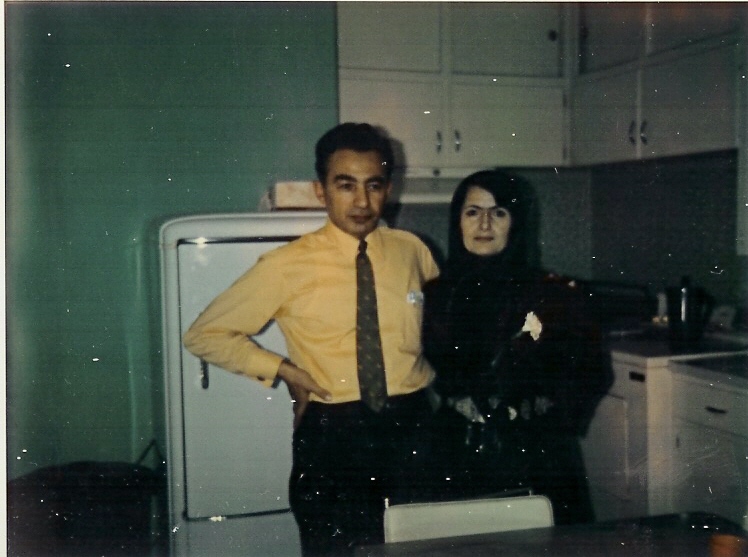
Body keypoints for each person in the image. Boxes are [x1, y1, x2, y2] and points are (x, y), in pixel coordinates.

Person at [183, 122, 440, 555]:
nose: (361, 202)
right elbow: (204, 334)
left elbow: (440, 323)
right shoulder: (285, 265)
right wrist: (284, 371)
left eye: (373, 186)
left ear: (388, 189)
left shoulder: (413, 250)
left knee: (418, 547)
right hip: (334, 434)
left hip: (413, 425)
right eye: (345, 186)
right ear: (321, 191)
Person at [422, 169, 610, 525]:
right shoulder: (435, 294)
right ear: (457, 221)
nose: (485, 224)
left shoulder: (554, 295)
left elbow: (593, 371)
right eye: (473, 211)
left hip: (534, 456)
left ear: (517, 222)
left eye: (500, 212)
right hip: (457, 451)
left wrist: (545, 417)